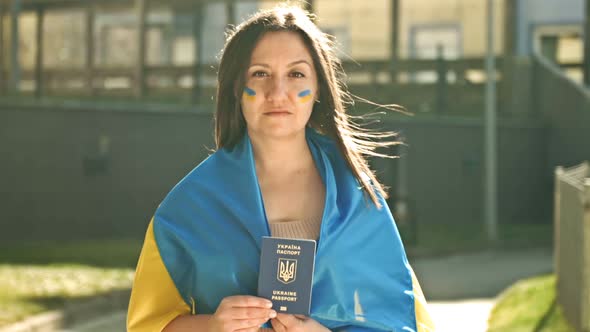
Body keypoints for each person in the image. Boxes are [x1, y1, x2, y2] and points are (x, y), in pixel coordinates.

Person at [127, 4, 434, 332]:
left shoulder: (358, 196)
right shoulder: (188, 206)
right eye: (260, 73)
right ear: (235, 88)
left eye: (296, 74)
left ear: (317, 88)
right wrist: (212, 326)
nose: (278, 92)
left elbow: (407, 321)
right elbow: (147, 325)